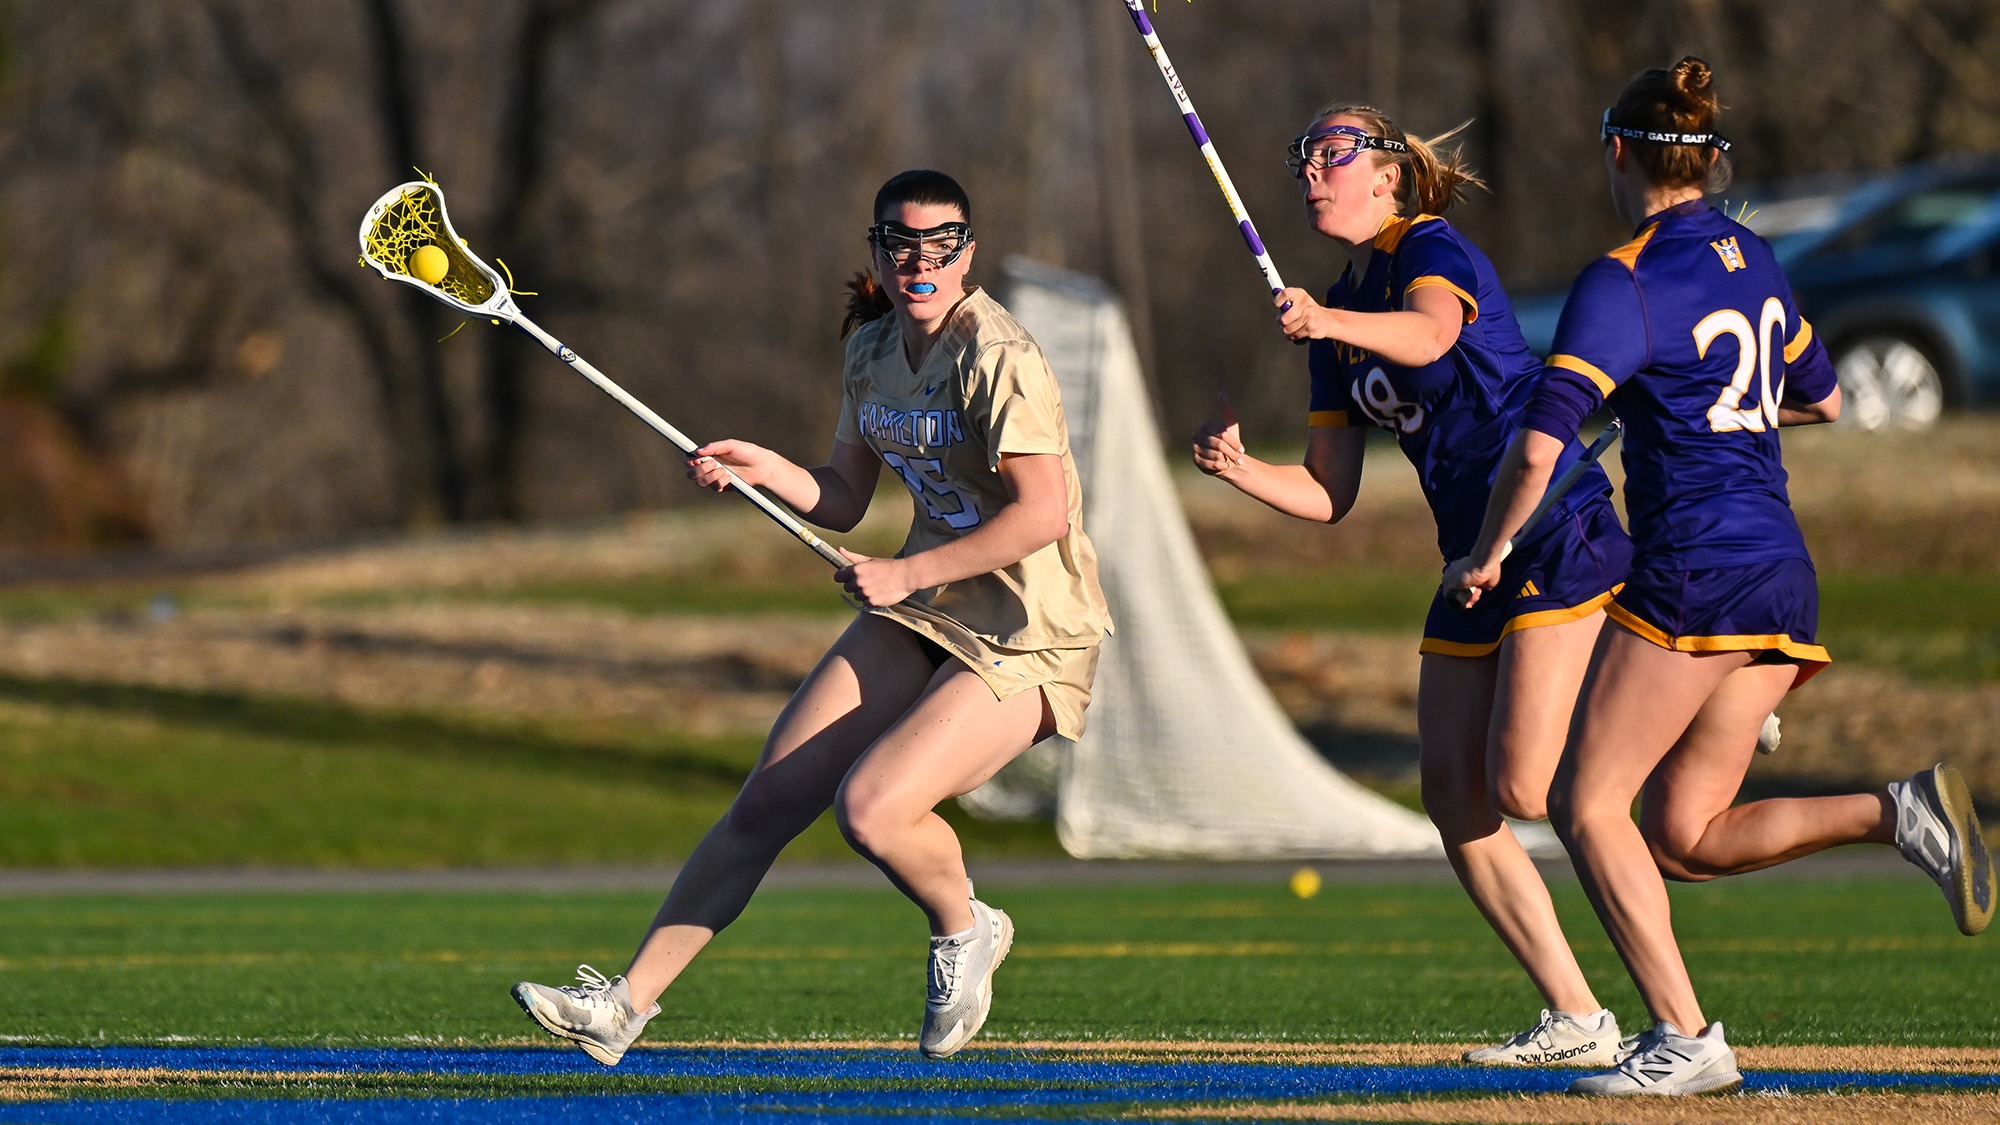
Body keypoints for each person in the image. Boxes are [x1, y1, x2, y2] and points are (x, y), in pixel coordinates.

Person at [1444, 57, 1994, 1097]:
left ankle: (1685, 1037)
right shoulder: (1755, 256)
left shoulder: (1624, 277)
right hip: (1780, 569)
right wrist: (1690, 409)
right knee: (1682, 835)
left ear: (1618, 152)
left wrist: (1488, 551)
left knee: (1584, 804)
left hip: (1696, 568)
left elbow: (1537, 445)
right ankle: (1899, 810)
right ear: (1705, 160)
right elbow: (1822, 398)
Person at [512, 169, 1112, 1064]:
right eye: (900, 243)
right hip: (928, 607)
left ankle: (966, 923)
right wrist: (761, 468)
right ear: (877, 250)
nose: (919, 262)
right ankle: (623, 1006)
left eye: (940, 245)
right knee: (769, 796)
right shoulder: (871, 349)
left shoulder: (999, 356)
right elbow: (841, 496)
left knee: (871, 810)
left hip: (1032, 629)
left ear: (966, 254)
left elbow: (1044, 514)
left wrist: (908, 571)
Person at [1192, 104, 1634, 1067]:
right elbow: (1329, 491)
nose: (1311, 171)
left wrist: (1325, 319)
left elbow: (1432, 337)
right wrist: (1239, 469)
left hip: (1548, 522)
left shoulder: (1429, 247)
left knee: (1523, 785)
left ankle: (1676, 683)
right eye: (1303, 157)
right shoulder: (1332, 318)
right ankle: (1577, 1016)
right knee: (1453, 795)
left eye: (1333, 154)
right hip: (1465, 556)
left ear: (1387, 174)